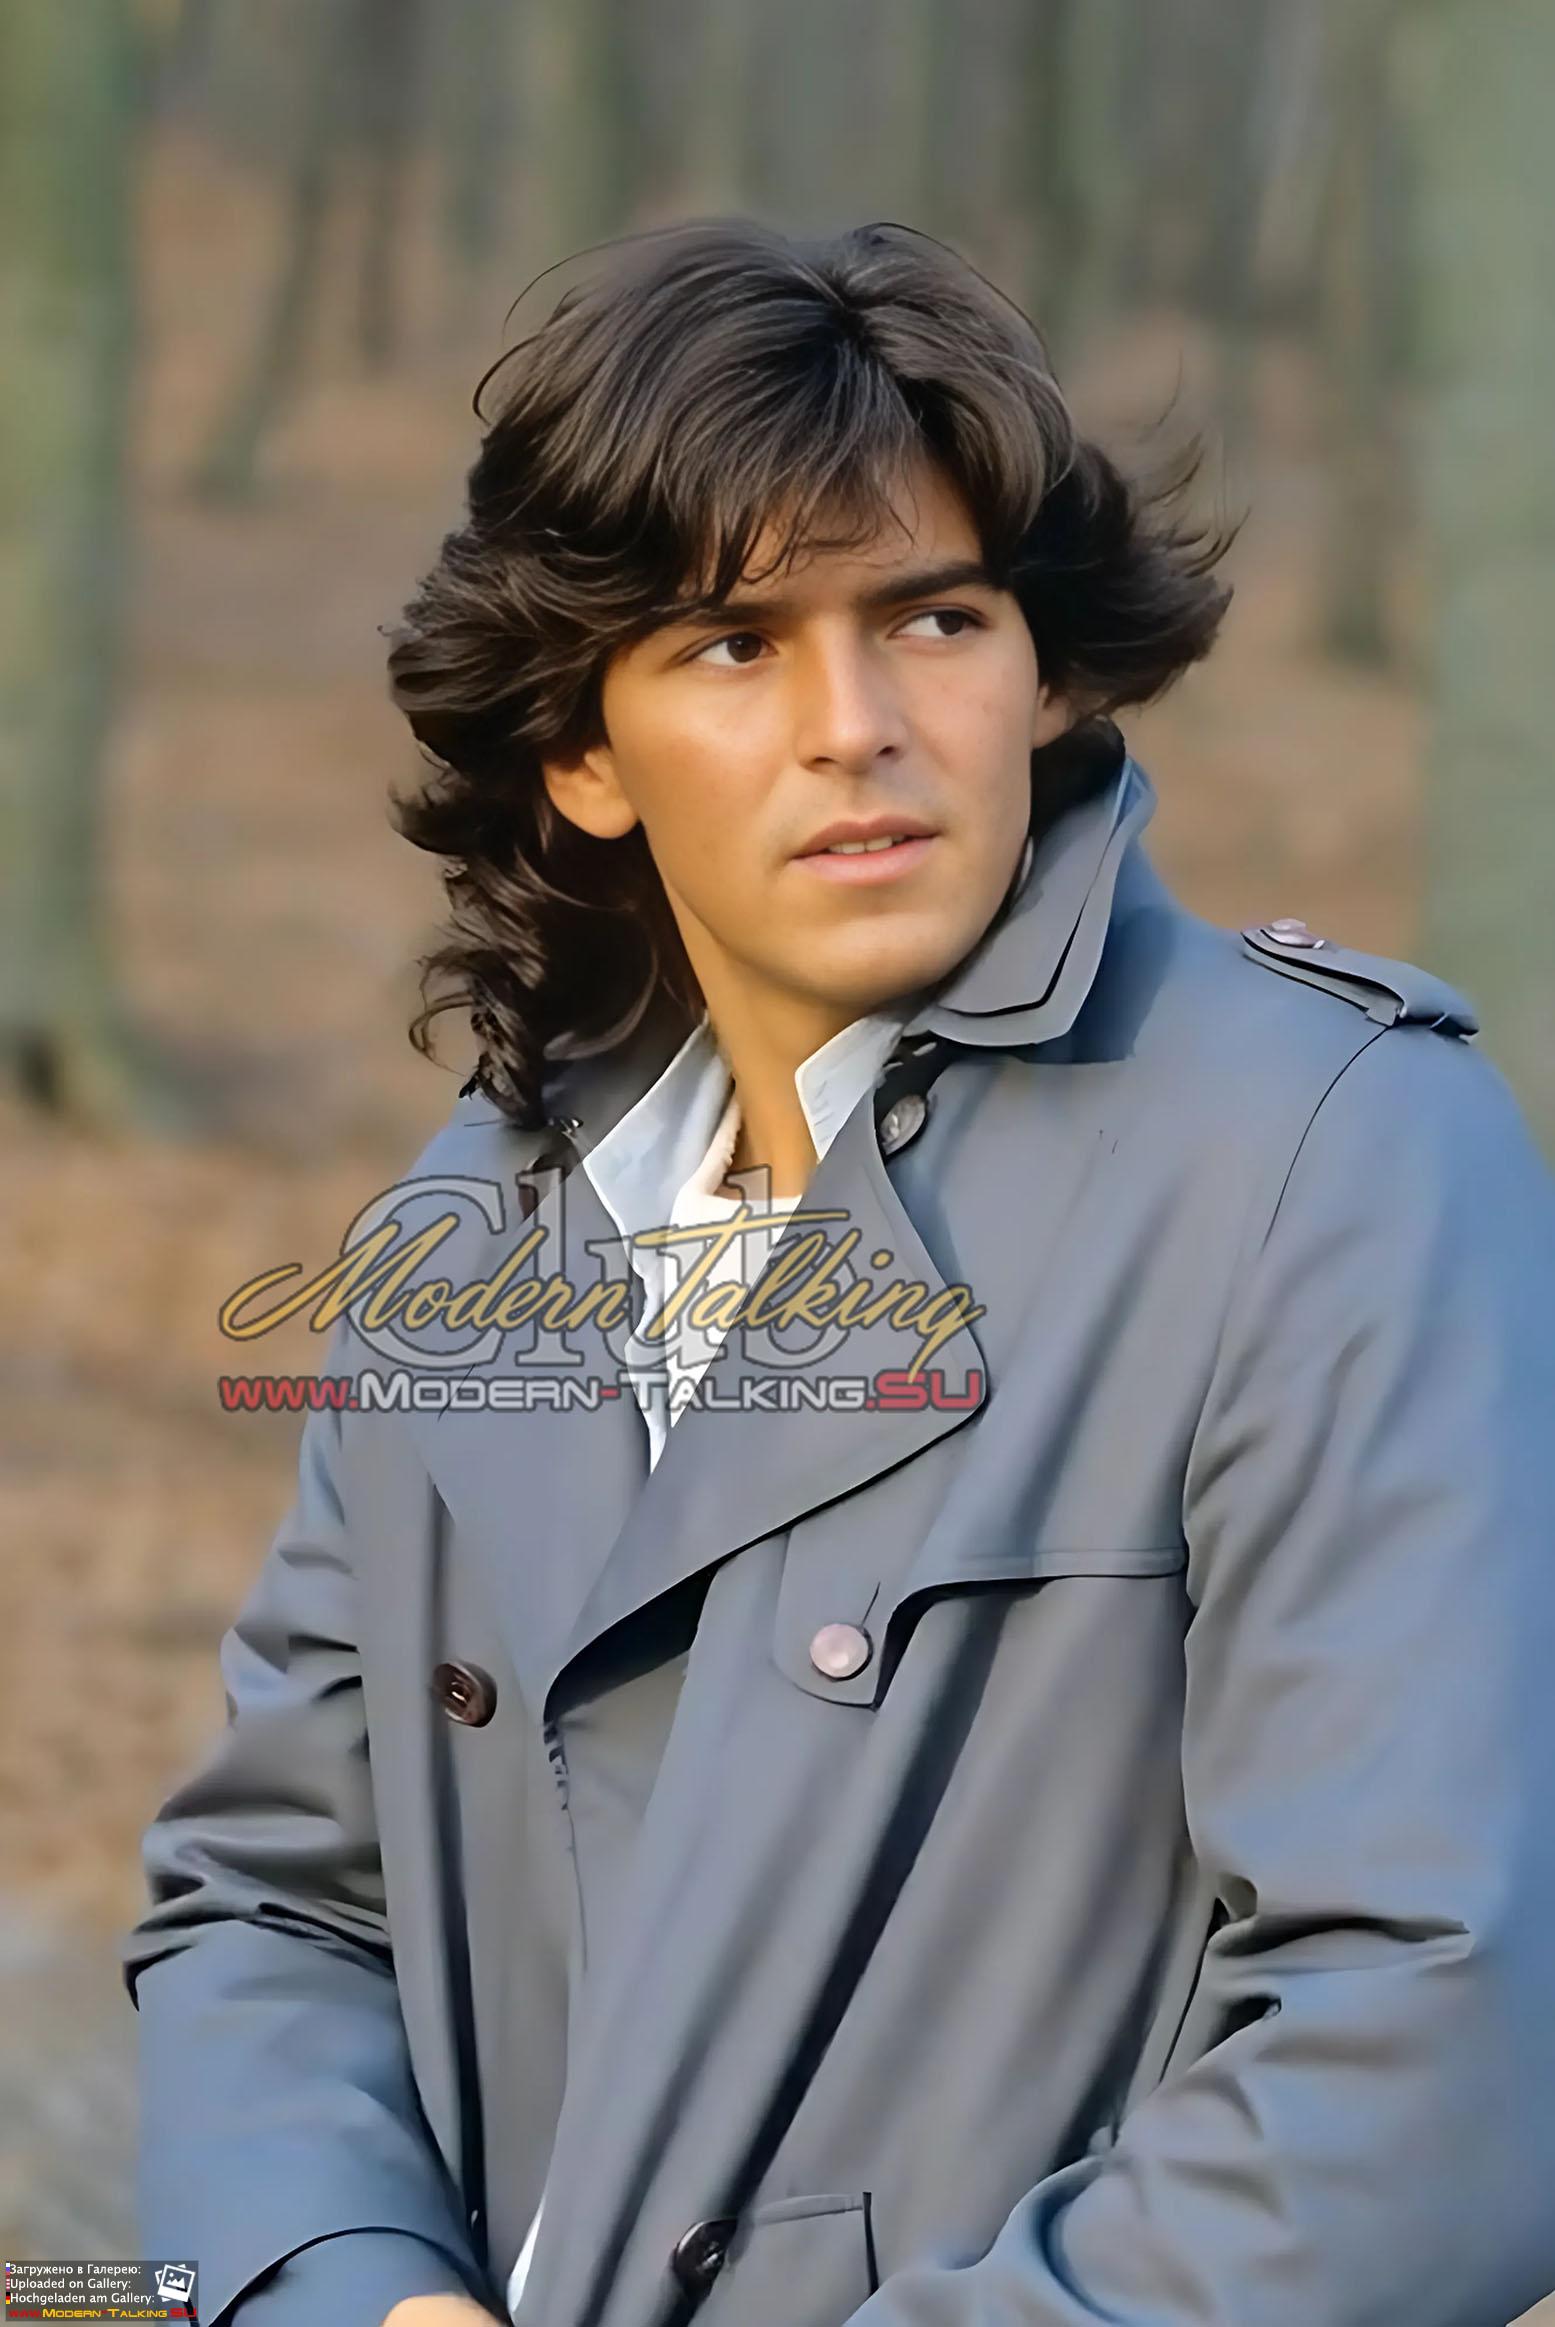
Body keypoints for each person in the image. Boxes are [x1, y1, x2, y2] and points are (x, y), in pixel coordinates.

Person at [121, 217, 1555, 2327]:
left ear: (1045, 672)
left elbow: (1440, 2049)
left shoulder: (1329, 1154)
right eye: (732, 646)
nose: (854, 724)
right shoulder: (475, 1228)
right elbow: (271, 1911)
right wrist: (357, 2294)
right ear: (584, 754)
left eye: (933, 618)